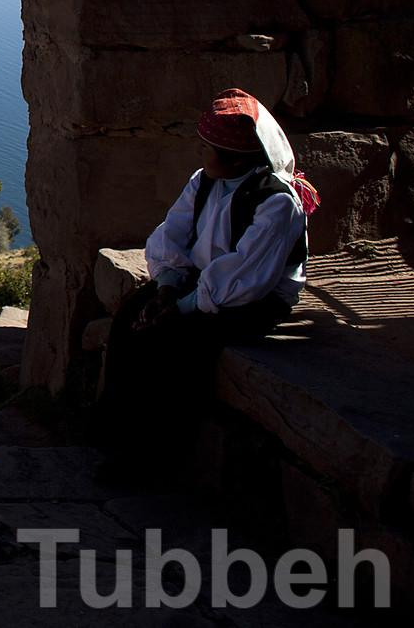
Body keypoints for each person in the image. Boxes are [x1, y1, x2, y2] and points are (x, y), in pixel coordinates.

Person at [98, 87, 317, 460]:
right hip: (200, 283)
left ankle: (152, 454)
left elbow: (243, 277)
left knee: (173, 345)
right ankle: (111, 435)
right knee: (131, 317)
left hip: (252, 299)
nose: (201, 153)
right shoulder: (205, 181)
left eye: (209, 148)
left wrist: (182, 309)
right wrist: (166, 289)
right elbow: (172, 236)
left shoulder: (277, 204)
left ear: (234, 160)